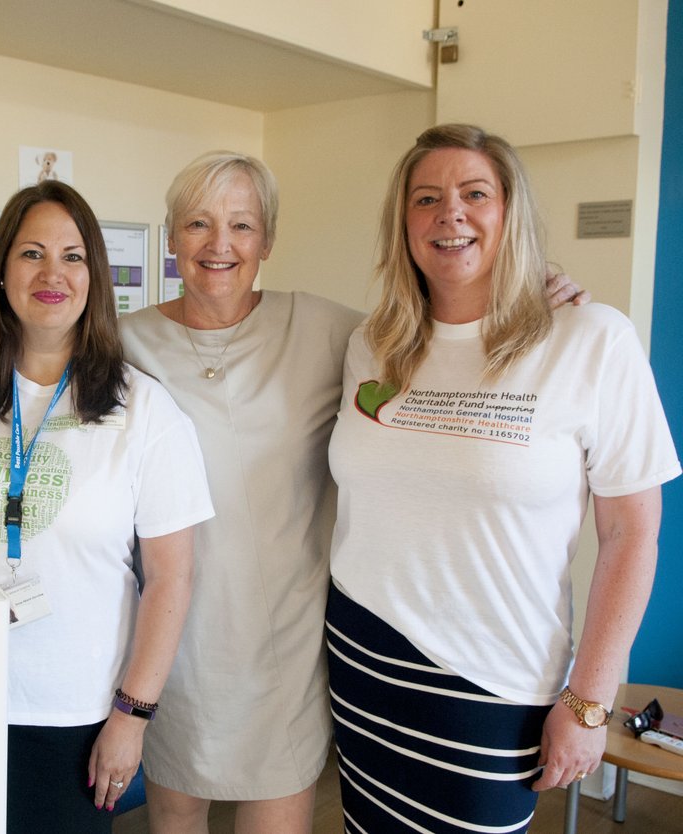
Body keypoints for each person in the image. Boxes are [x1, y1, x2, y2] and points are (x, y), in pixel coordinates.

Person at [0, 152, 589, 834]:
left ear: (267, 240)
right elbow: (40, 360)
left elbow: (437, 331)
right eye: (198, 224)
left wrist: (528, 283)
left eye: (242, 225)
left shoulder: (334, 332)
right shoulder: (126, 344)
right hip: (168, 647)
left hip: (282, 647)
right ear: (173, 237)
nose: (220, 245)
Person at [326, 123, 680, 832]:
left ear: (509, 212)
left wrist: (588, 702)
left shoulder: (590, 339)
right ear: (404, 223)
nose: (449, 213)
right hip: (363, 656)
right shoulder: (375, 343)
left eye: (474, 193)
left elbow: (631, 533)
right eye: (426, 198)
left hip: (496, 678)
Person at [0, 180, 213, 834]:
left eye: (72, 256)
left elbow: (172, 578)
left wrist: (131, 716)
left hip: (73, 715)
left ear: (94, 276)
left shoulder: (143, 413)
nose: (52, 273)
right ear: (1, 273)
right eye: (32, 253)